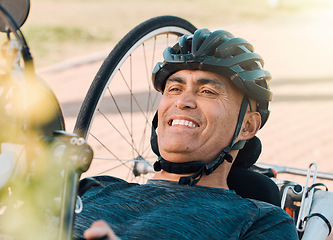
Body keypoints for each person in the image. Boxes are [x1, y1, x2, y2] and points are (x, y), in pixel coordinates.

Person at [73, 29, 298, 240]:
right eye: (174, 89)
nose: (182, 101)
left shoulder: (261, 222)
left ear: (247, 126)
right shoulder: (95, 188)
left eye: (207, 91)